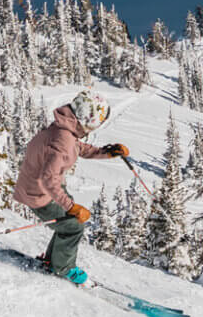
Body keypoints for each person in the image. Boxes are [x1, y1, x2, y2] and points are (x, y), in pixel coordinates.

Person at [12, 89, 128, 283]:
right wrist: (71, 207)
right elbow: (49, 179)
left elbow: (77, 147)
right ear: (89, 120)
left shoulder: (64, 130)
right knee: (73, 227)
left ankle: (53, 261)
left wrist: (105, 153)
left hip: (40, 187)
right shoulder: (63, 140)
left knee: (67, 222)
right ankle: (63, 268)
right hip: (39, 194)